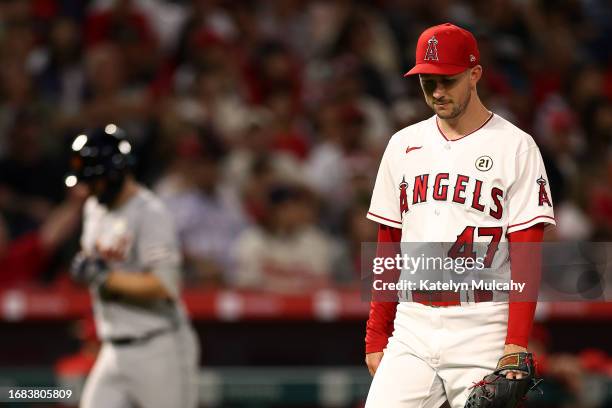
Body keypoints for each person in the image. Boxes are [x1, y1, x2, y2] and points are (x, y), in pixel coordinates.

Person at [364, 23, 555, 408]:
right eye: (427, 82)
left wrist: (516, 341)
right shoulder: (402, 145)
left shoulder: (516, 146)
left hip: (482, 324)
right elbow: (389, 246)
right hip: (412, 323)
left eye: (447, 81)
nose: (436, 92)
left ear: (474, 74)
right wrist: (375, 333)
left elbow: (527, 254)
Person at [66, 124, 199, 408]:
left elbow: (166, 286)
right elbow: (100, 266)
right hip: (112, 349)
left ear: (114, 174)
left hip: (158, 347)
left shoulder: (150, 213)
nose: (87, 188)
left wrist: (103, 277)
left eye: (94, 181)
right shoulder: (94, 209)